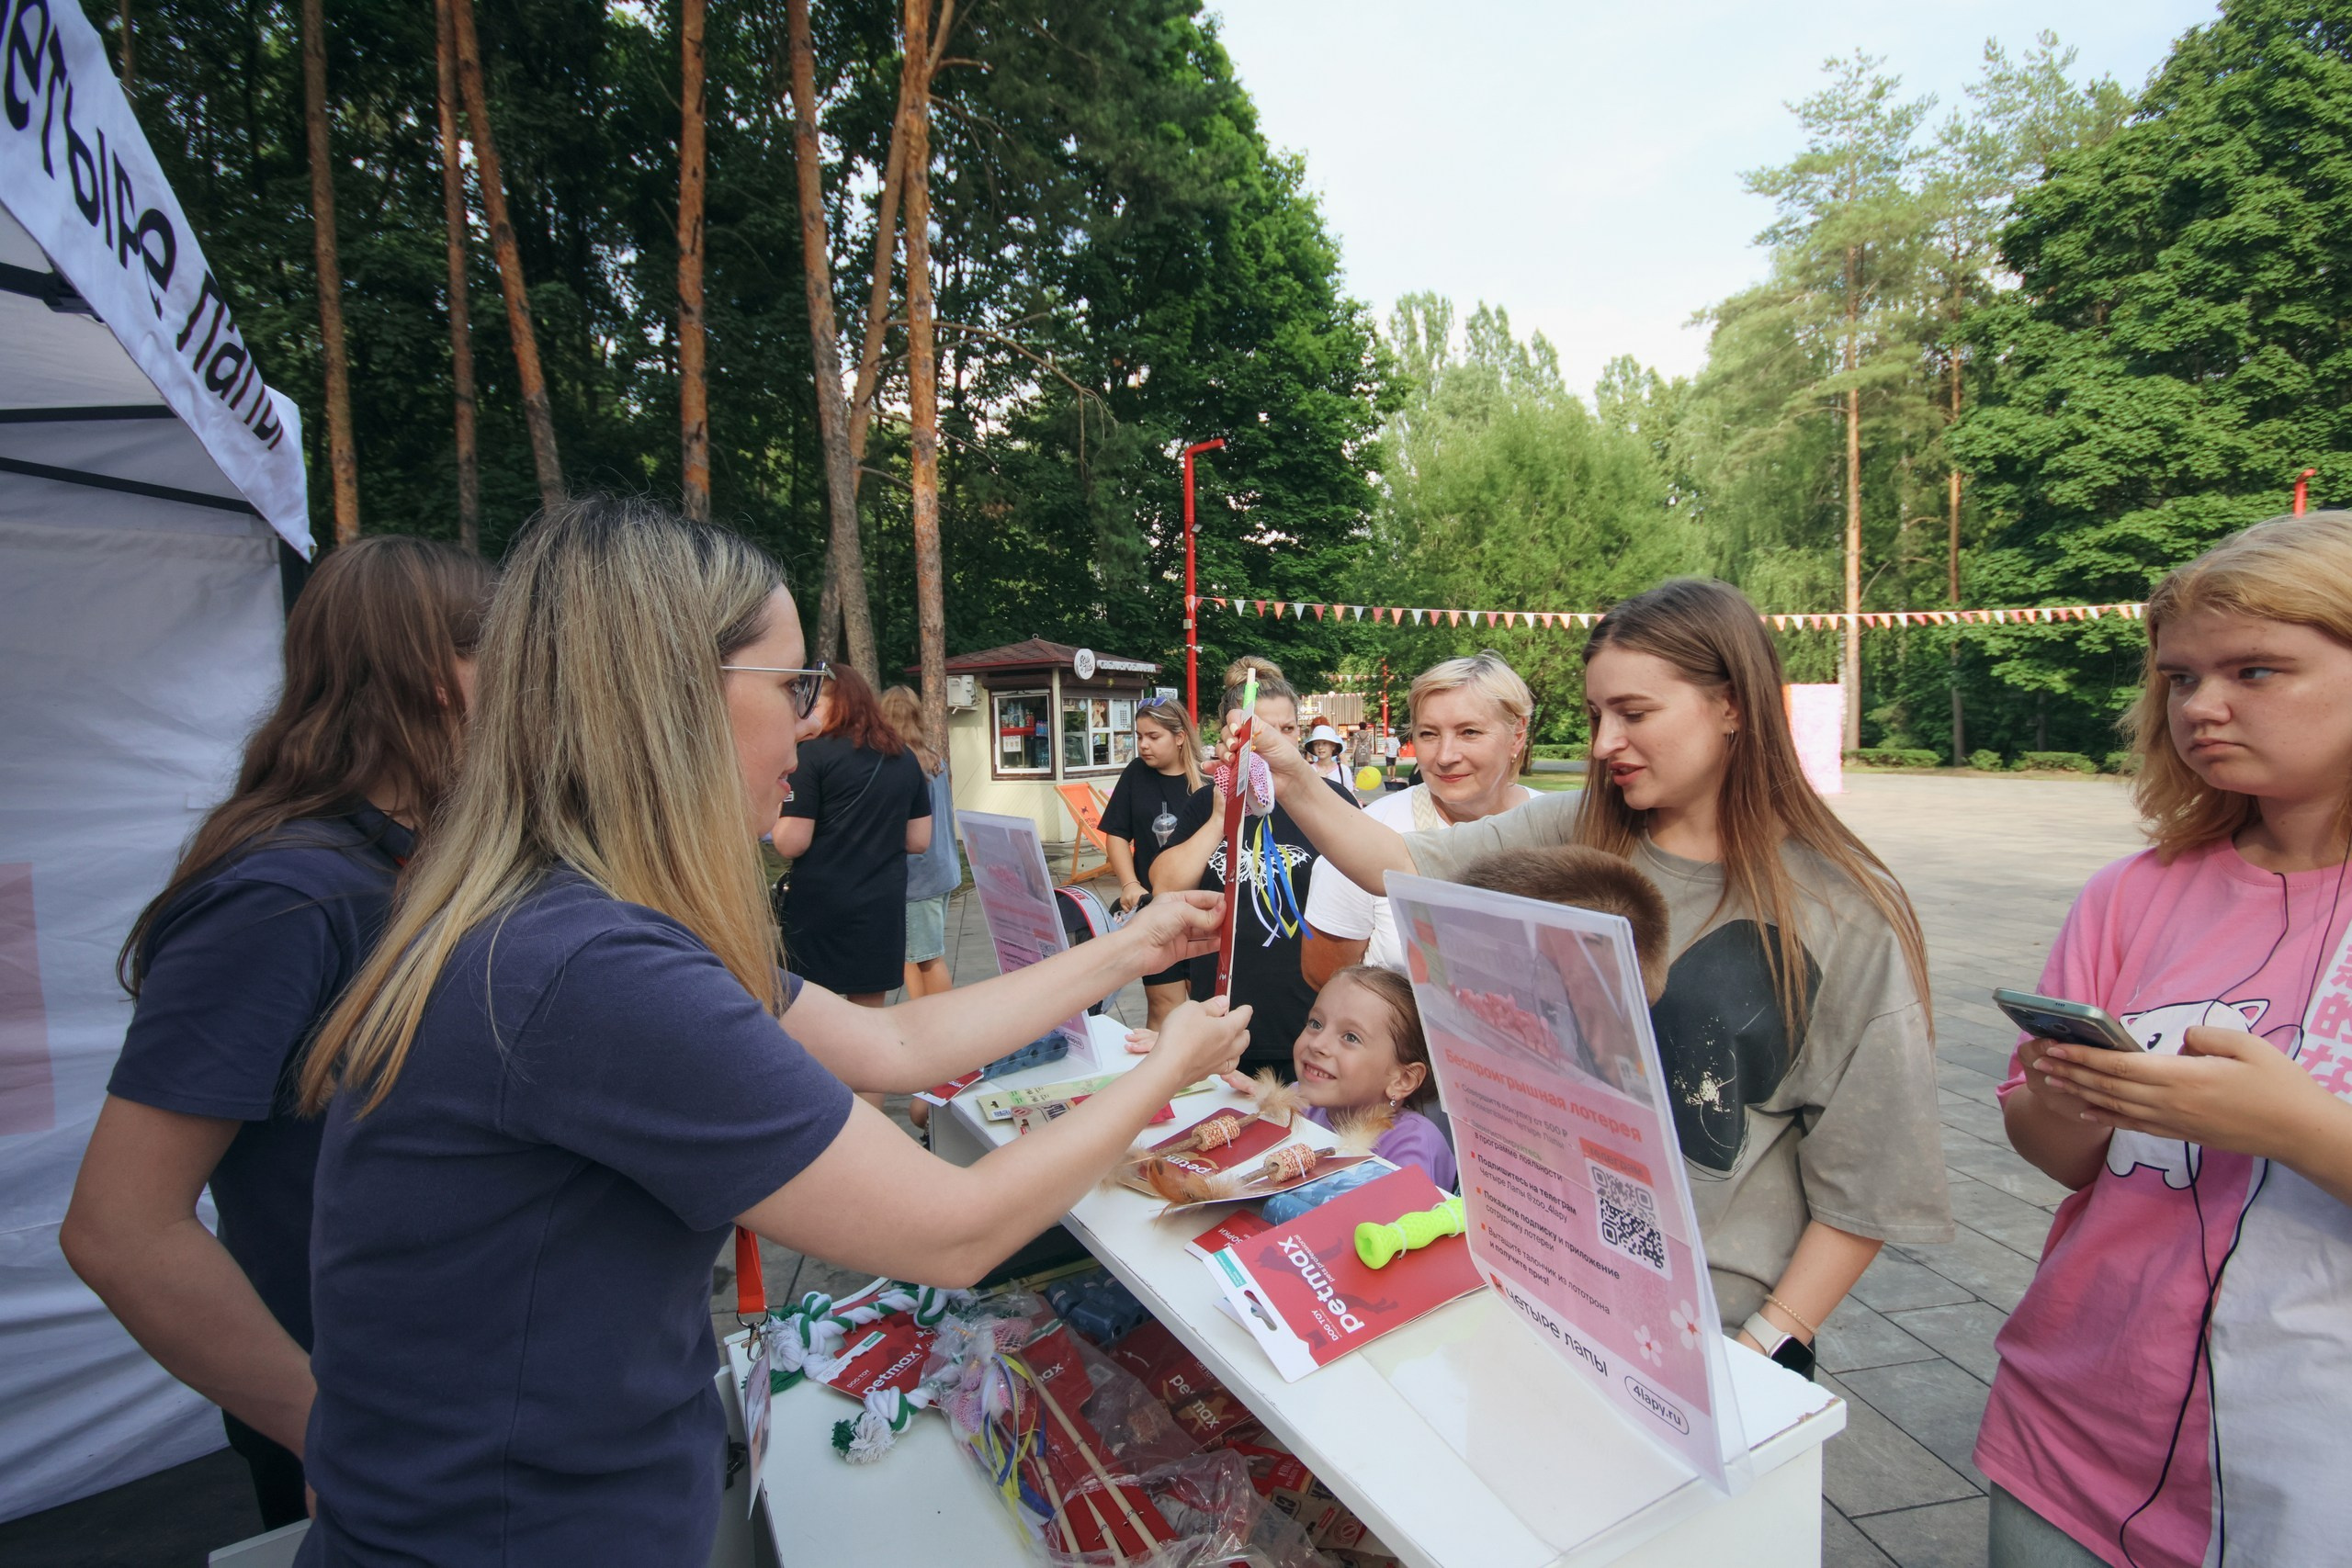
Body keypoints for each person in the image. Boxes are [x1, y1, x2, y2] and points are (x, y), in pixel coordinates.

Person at [288, 496, 1250, 1565]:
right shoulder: (597, 971)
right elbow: (955, 1229)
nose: (808, 719)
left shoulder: (572, 918)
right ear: (671, 697)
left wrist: (1125, 950)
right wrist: (1166, 1067)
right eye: (789, 684)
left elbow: (893, 1048)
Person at [1238, 579, 1951, 1365]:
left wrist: (1762, 1345)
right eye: (1596, 715)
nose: (1606, 740)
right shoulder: (1573, 826)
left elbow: (1869, 1179)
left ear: (1733, 705)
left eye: (1635, 713)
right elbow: (1403, 864)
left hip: (1712, 1338)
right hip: (1529, 1283)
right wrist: (1292, 775)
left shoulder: (1844, 913)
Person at [60, 536, 495, 1529]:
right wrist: (320, 1426)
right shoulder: (281, 898)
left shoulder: (412, 866)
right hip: (374, 1443)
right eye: (511, 660)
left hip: (463, 1417)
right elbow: (122, 1229)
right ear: (439, 675)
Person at [1975, 513, 2352, 1568]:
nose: (2202, 706)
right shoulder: (2130, 894)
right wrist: (2061, 1096)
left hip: (2309, 1478)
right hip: (2075, 1427)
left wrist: (2297, 1129)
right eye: (2179, 677)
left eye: (2255, 670)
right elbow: (2055, 1157)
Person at [1152, 657, 1359, 1077]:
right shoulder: (1206, 801)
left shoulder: (1331, 798)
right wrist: (1219, 817)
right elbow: (1164, 884)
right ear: (1235, 736)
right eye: (1264, 731)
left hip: (1309, 1019)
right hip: (1223, 1014)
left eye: (1288, 729)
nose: (1279, 743)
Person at [1303, 652, 1537, 986]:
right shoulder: (1365, 835)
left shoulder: (1563, 827)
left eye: (1469, 732)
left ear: (1516, 735)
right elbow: (1325, 975)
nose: (1445, 756)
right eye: (1429, 734)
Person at [772, 663, 931, 1007]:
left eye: (815, 703)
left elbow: (791, 841)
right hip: (881, 905)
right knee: (869, 1015)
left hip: (821, 906)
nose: (807, 711)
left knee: (812, 1012)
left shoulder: (810, 756)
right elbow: (919, 839)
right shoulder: (903, 757)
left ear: (839, 703)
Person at [1101, 695, 1204, 1029]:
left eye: (1153, 737)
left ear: (1179, 736)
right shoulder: (1135, 774)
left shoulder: (1208, 781)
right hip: (1154, 911)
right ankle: (1159, 1078)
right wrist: (1130, 883)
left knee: (1204, 1005)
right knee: (1162, 1006)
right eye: (1139, 736)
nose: (1143, 745)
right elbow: (1116, 833)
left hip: (1202, 913)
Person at [880, 685, 957, 1000]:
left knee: (926, 957)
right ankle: (925, 1018)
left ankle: (940, 1023)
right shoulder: (935, 760)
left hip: (918, 875)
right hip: (943, 867)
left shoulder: (897, 766)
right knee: (916, 954)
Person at [1305, 722, 1350, 791]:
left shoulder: (1343, 770)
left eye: (1324, 743)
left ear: (1333, 746)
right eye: (1316, 744)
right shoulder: (1309, 770)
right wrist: (1316, 781)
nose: (1320, 747)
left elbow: (1349, 797)